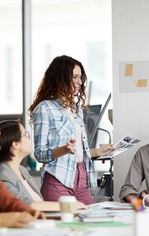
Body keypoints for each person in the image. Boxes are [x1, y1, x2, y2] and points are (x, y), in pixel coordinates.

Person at [28, 55, 114, 205]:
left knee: (89, 221)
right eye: (74, 77)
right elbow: (39, 154)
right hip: (58, 180)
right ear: (60, 78)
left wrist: (96, 152)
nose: (79, 82)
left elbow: (76, 151)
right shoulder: (44, 108)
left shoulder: (76, 110)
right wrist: (63, 150)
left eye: (80, 77)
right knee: (63, 226)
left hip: (81, 179)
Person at [0, 120, 87, 211]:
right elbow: (25, 204)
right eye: (25, 135)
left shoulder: (22, 170)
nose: (29, 138)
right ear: (15, 144)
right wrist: (68, 205)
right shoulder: (1, 177)